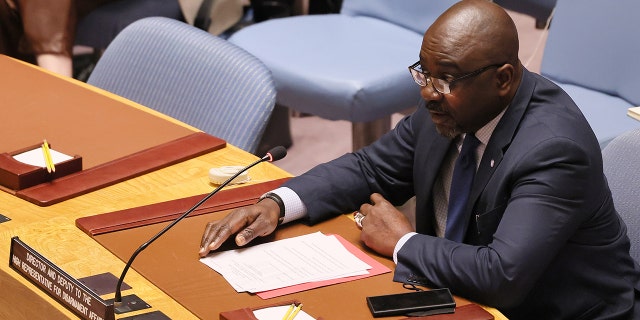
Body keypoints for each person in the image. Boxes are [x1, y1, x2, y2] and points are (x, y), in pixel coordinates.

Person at [199, 0, 640, 318]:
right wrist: (278, 204)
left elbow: (502, 277)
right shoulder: (448, 104)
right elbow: (370, 168)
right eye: (423, 73)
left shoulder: (553, 149)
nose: (427, 92)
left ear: (504, 79)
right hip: (451, 294)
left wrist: (403, 243)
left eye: (444, 79)